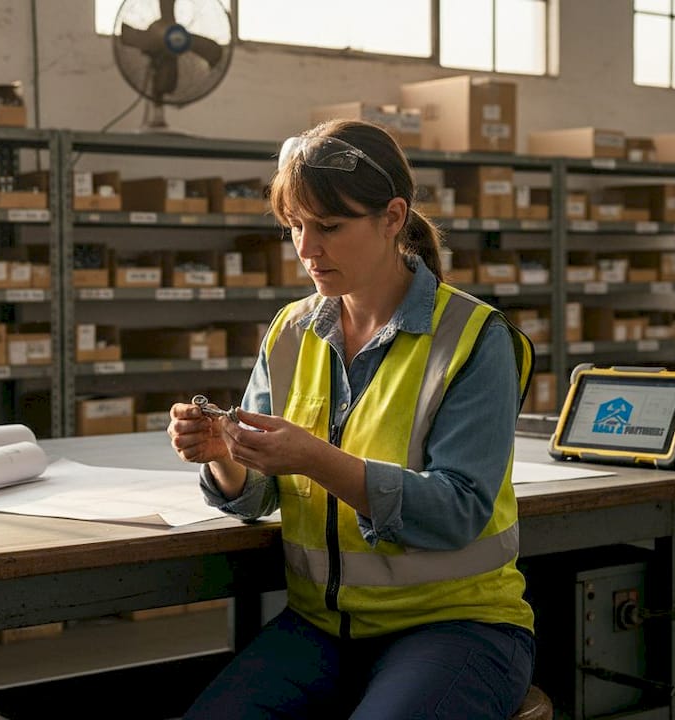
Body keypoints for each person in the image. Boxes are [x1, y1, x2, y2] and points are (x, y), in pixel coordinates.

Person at [167, 118, 537, 719]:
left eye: (330, 227)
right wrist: (225, 458)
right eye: (295, 228)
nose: (308, 249)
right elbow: (262, 494)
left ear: (393, 217)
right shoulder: (291, 331)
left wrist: (315, 458)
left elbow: (459, 510)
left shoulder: (474, 339)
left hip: (457, 628)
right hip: (322, 628)